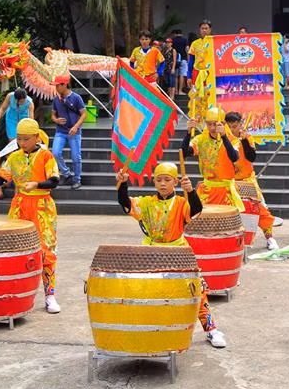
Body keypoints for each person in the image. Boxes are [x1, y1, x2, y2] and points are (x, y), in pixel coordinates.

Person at [115, 162, 227, 348]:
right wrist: (123, 184)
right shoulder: (147, 203)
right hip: (151, 254)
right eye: (159, 180)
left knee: (196, 290)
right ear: (154, 181)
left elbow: (197, 211)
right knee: (144, 292)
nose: (163, 184)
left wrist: (190, 191)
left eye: (167, 180)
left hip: (178, 252)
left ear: (175, 181)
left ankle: (211, 329)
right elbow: (126, 204)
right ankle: (147, 332)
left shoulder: (182, 203)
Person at [0, 118, 61, 313]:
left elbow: (55, 181)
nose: (22, 143)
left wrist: (37, 185)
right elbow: (2, 176)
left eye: (25, 139)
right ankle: (15, 293)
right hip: (20, 206)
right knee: (15, 249)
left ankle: (50, 295)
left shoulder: (46, 156)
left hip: (42, 208)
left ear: (36, 137)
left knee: (46, 251)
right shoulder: (14, 157)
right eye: (19, 139)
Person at [225, 112, 278, 250]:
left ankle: (270, 238)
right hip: (228, 182)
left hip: (247, 181)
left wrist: (243, 141)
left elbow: (251, 157)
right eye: (228, 126)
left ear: (240, 125)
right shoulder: (222, 140)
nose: (231, 129)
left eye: (234, 126)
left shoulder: (248, 138)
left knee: (261, 209)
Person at [182, 107, 242, 209]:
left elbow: (234, 157)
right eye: (209, 124)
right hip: (207, 190)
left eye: (216, 124)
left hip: (226, 190)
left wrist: (224, 137)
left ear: (223, 124)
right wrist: (188, 133)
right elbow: (185, 153)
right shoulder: (200, 139)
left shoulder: (233, 140)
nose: (213, 128)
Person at [0, 88, 35, 201]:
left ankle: (22, 156)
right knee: (13, 141)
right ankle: (13, 157)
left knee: (24, 137)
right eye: (19, 101)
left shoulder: (30, 102)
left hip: (24, 117)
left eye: (22, 101)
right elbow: (3, 108)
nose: (20, 103)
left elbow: (32, 119)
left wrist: (32, 132)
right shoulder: (10, 96)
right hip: (11, 117)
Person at [51, 74, 86, 188]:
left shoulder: (76, 98)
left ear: (65, 84)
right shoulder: (56, 100)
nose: (56, 88)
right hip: (60, 131)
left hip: (74, 132)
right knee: (55, 152)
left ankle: (77, 179)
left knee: (76, 156)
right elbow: (53, 115)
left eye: (58, 86)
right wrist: (56, 120)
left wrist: (76, 127)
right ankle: (66, 174)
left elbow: (84, 114)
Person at [188, 20, 214, 124]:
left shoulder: (213, 42)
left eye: (206, 28)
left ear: (210, 29)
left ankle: (210, 120)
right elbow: (191, 61)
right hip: (197, 73)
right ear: (199, 30)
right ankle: (196, 121)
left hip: (209, 74)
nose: (204, 30)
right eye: (202, 28)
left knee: (209, 96)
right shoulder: (195, 43)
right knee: (196, 97)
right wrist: (189, 76)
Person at [171, 29, 189, 94]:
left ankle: (175, 90)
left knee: (175, 75)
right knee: (182, 74)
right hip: (183, 59)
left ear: (175, 33)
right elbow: (187, 49)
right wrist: (188, 58)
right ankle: (180, 91)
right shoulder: (185, 39)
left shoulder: (173, 40)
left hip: (174, 59)